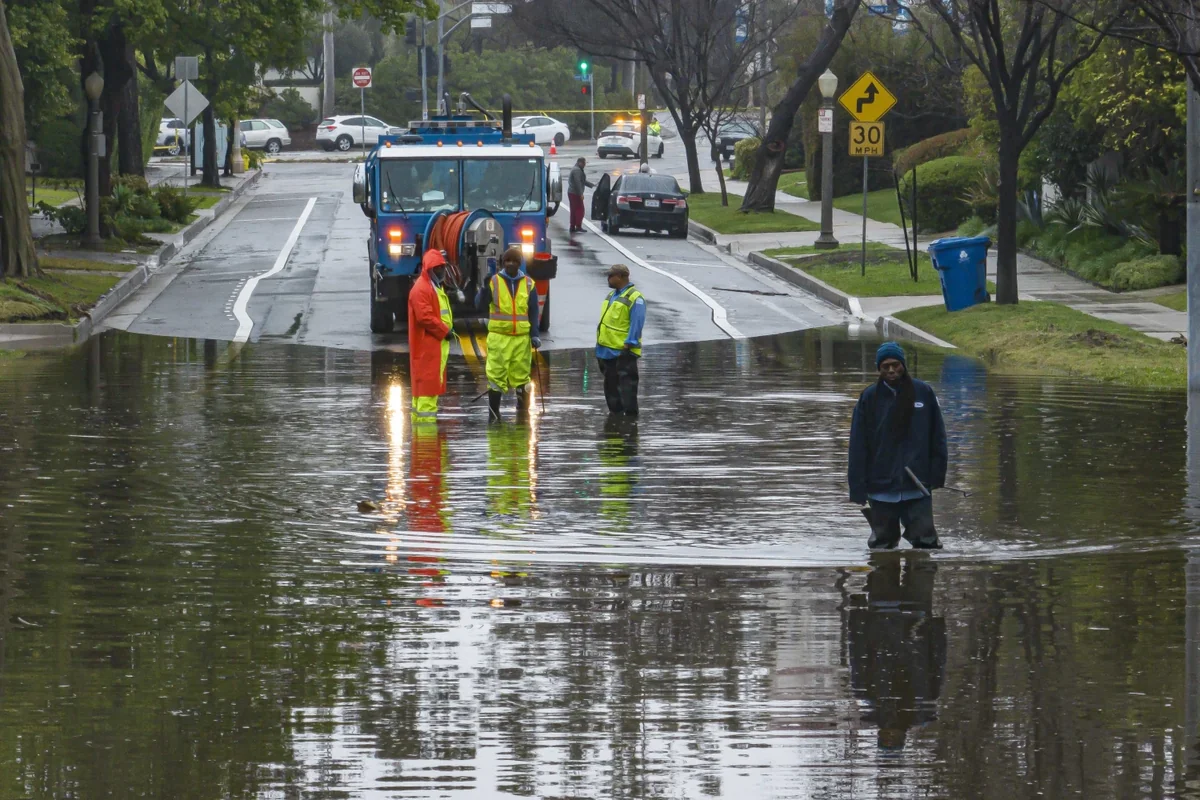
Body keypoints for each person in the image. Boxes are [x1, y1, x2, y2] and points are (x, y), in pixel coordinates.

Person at [848, 342, 948, 549]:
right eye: (886, 366)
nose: (892, 370)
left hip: (917, 485)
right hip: (880, 485)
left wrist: (937, 475)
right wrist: (857, 487)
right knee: (882, 546)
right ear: (879, 369)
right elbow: (858, 445)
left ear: (903, 364)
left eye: (895, 365)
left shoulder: (924, 393)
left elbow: (937, 435)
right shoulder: (869, 398)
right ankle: (882, 578)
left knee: (926, 543)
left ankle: (921, 576)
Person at [477, 245, 540, 421]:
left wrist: (534, 334)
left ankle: (522, 413)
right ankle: (494, 415)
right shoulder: (494, 282)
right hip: (499, 338)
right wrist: (484, 288)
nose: (511, 264)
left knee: (521, 377)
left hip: (521, 340)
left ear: (520, 263)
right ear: (502, 263)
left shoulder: (529, 283)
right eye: (507, 261)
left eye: (514, 261)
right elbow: (479, 306)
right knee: (496, 377)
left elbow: (533, 311)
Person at [408, 249, 454, 422]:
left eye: (442, 267)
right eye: (437, 268)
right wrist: (444, 331)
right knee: (428, 389)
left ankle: (422, 439)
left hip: (435, 345)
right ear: (428, 269)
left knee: (425, 389)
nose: (441, 271)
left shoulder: (432, 287)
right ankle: (427, 440)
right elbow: (425, 317)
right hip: (429, 347)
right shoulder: (422, 289)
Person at [595, 263, 645, 416]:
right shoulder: (611, 296)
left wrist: (628, 345)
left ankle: (629, 425)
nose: (608, 279)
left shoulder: (635, 298)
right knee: (611, 390)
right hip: (606, 351)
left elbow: (637, 324)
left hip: (623, 352)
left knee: (626, 390)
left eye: (611, 276)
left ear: (622, 277)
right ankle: (616, 421)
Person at [568, 157, 594, 233]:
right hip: (575, 193)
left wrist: (591, 185)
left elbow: (582, 181)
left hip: (572, 192)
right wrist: (580, 194)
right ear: (580, 163)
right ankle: (578, 226)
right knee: (580, 210)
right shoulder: (577, 170)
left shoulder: (576, 169)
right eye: (584, 163)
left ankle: (572, 226)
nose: (585, 165)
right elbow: (578, 182)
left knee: (573, 210)